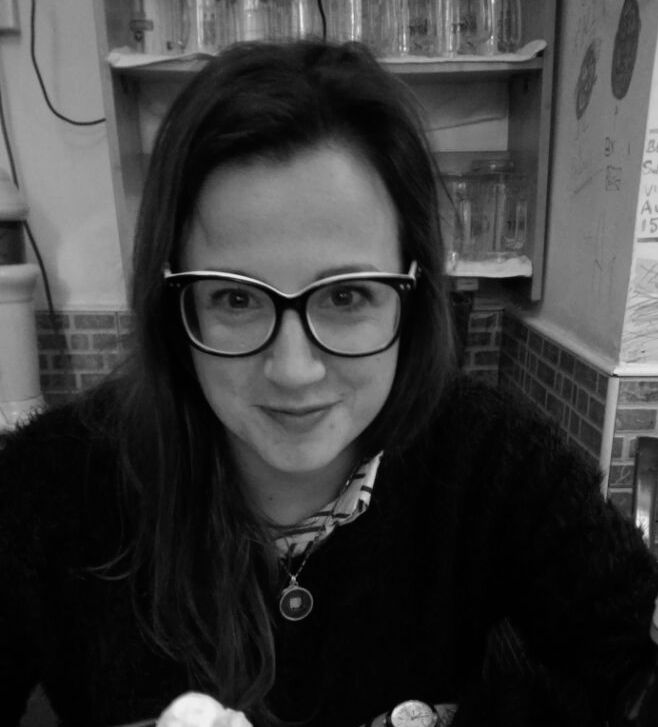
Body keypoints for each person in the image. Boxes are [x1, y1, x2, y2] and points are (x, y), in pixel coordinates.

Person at [1, 38, 657, 727]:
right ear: (174, 304)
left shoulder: (494, 460)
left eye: (346, 297)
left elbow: (629, 661)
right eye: (235, 298)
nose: (294, 370)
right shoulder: (52, 486)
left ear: (413, 293)